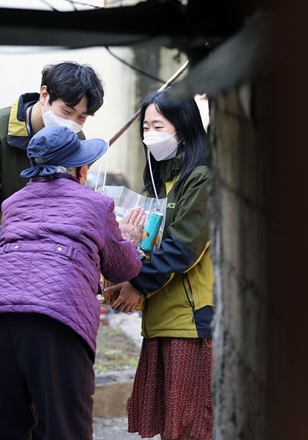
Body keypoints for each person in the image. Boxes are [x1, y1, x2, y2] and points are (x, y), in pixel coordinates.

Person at [0, 61, 104, 425]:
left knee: (38, 368)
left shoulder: (71, 140)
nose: (74, 124)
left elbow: (72, 202)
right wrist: (14, 261)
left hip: (40, 270)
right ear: (44, 95)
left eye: (83, 117)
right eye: (67, 111)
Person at [0, 125, 144, 440]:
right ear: (78, 169)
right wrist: (129, 238)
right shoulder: (95, 204)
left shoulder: (13, 204)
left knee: (0, 431)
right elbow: (122, 268)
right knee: (64, 431)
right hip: (55, 321)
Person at [104, 90, 214, 440]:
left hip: (190, 321)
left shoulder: (201, 178)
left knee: (193, 427)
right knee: (173, 427)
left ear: (182, 127)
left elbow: (183, 248)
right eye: (146, 126)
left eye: (158, 125)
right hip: (160, 319)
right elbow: (151, 247)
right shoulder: (156, 181)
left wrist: (137, 285)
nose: (149, 133)